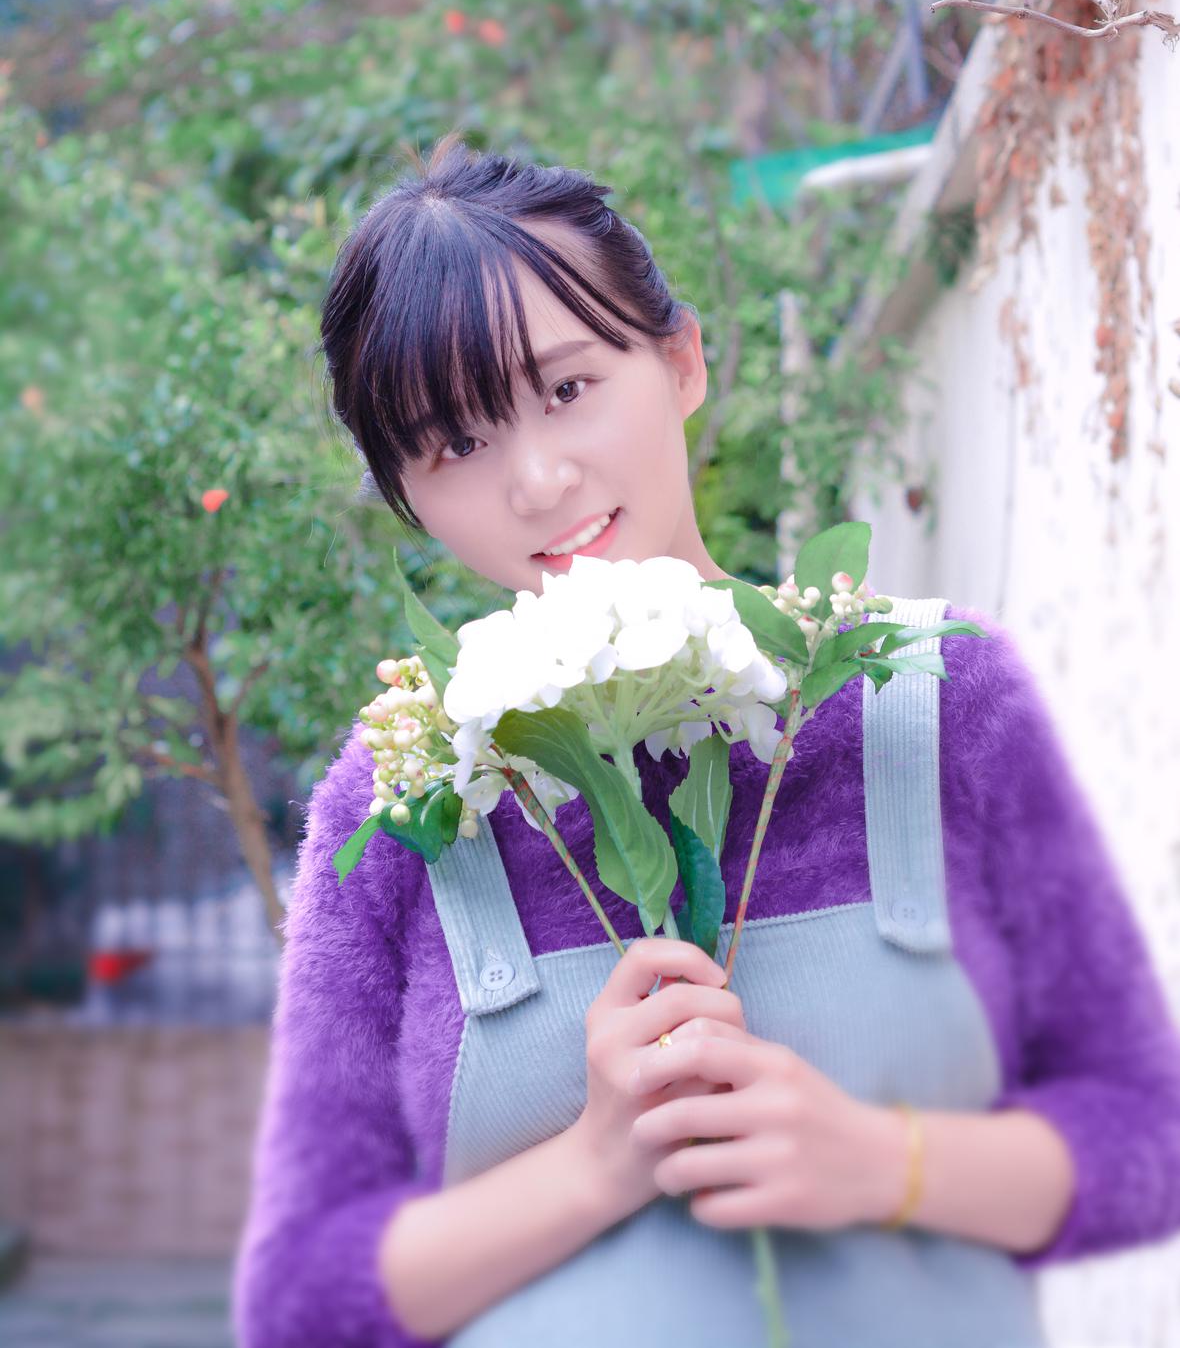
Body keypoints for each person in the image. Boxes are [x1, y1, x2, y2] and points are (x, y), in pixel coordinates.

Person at [232, 134, 1180, 1348]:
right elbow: (301, 1300)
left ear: (680, 359)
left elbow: (1147, 1137)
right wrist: (593, 1165)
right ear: (405, 495)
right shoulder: (409, 789)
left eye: (567, 389)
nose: (536, 478)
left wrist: (882, 1163)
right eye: (454, 444)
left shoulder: (935, 700)